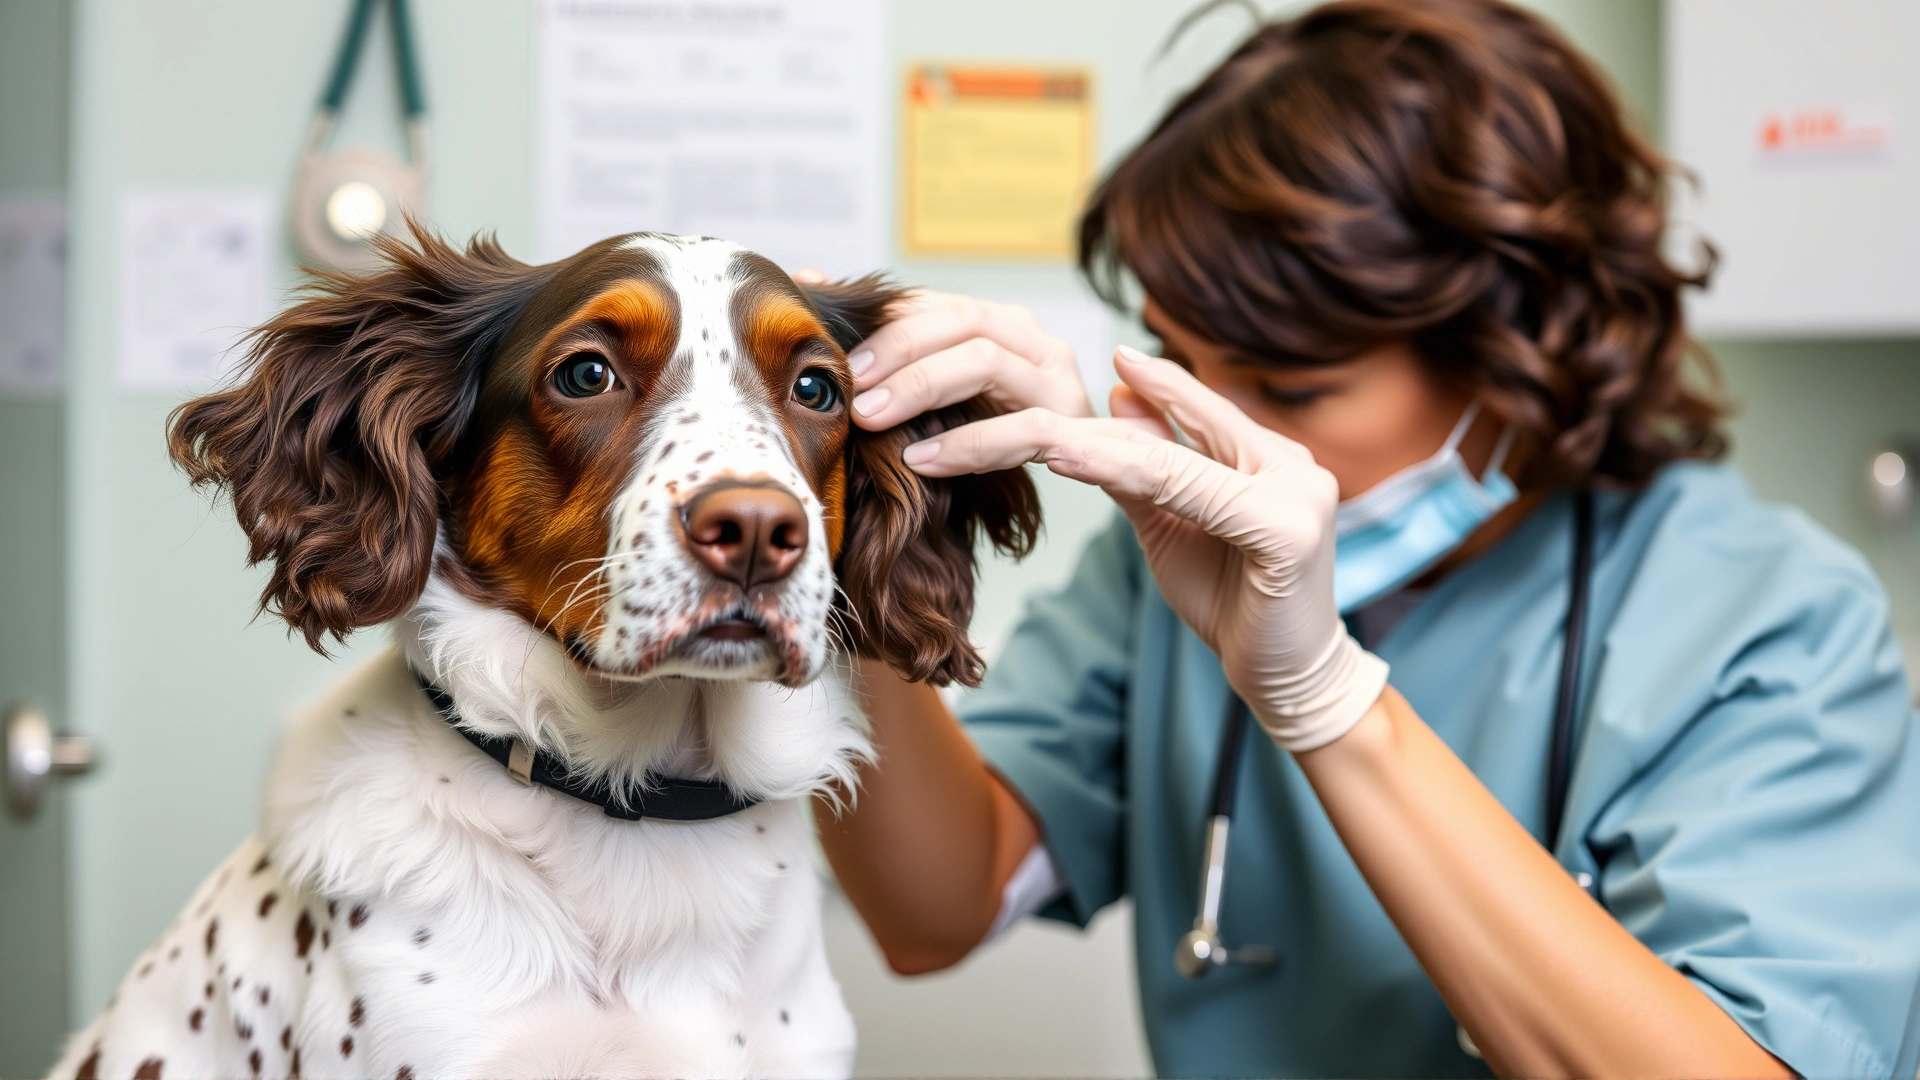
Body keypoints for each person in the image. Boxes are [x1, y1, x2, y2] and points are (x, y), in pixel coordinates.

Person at [812, 1, 1920, 1077]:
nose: (1222, 430)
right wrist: (848, 524)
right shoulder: (1165, 574)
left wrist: (1324, 696)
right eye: (1184, 362)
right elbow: (934, 911)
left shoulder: (1767, 624)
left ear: (1517, 350)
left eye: (1292, 383)